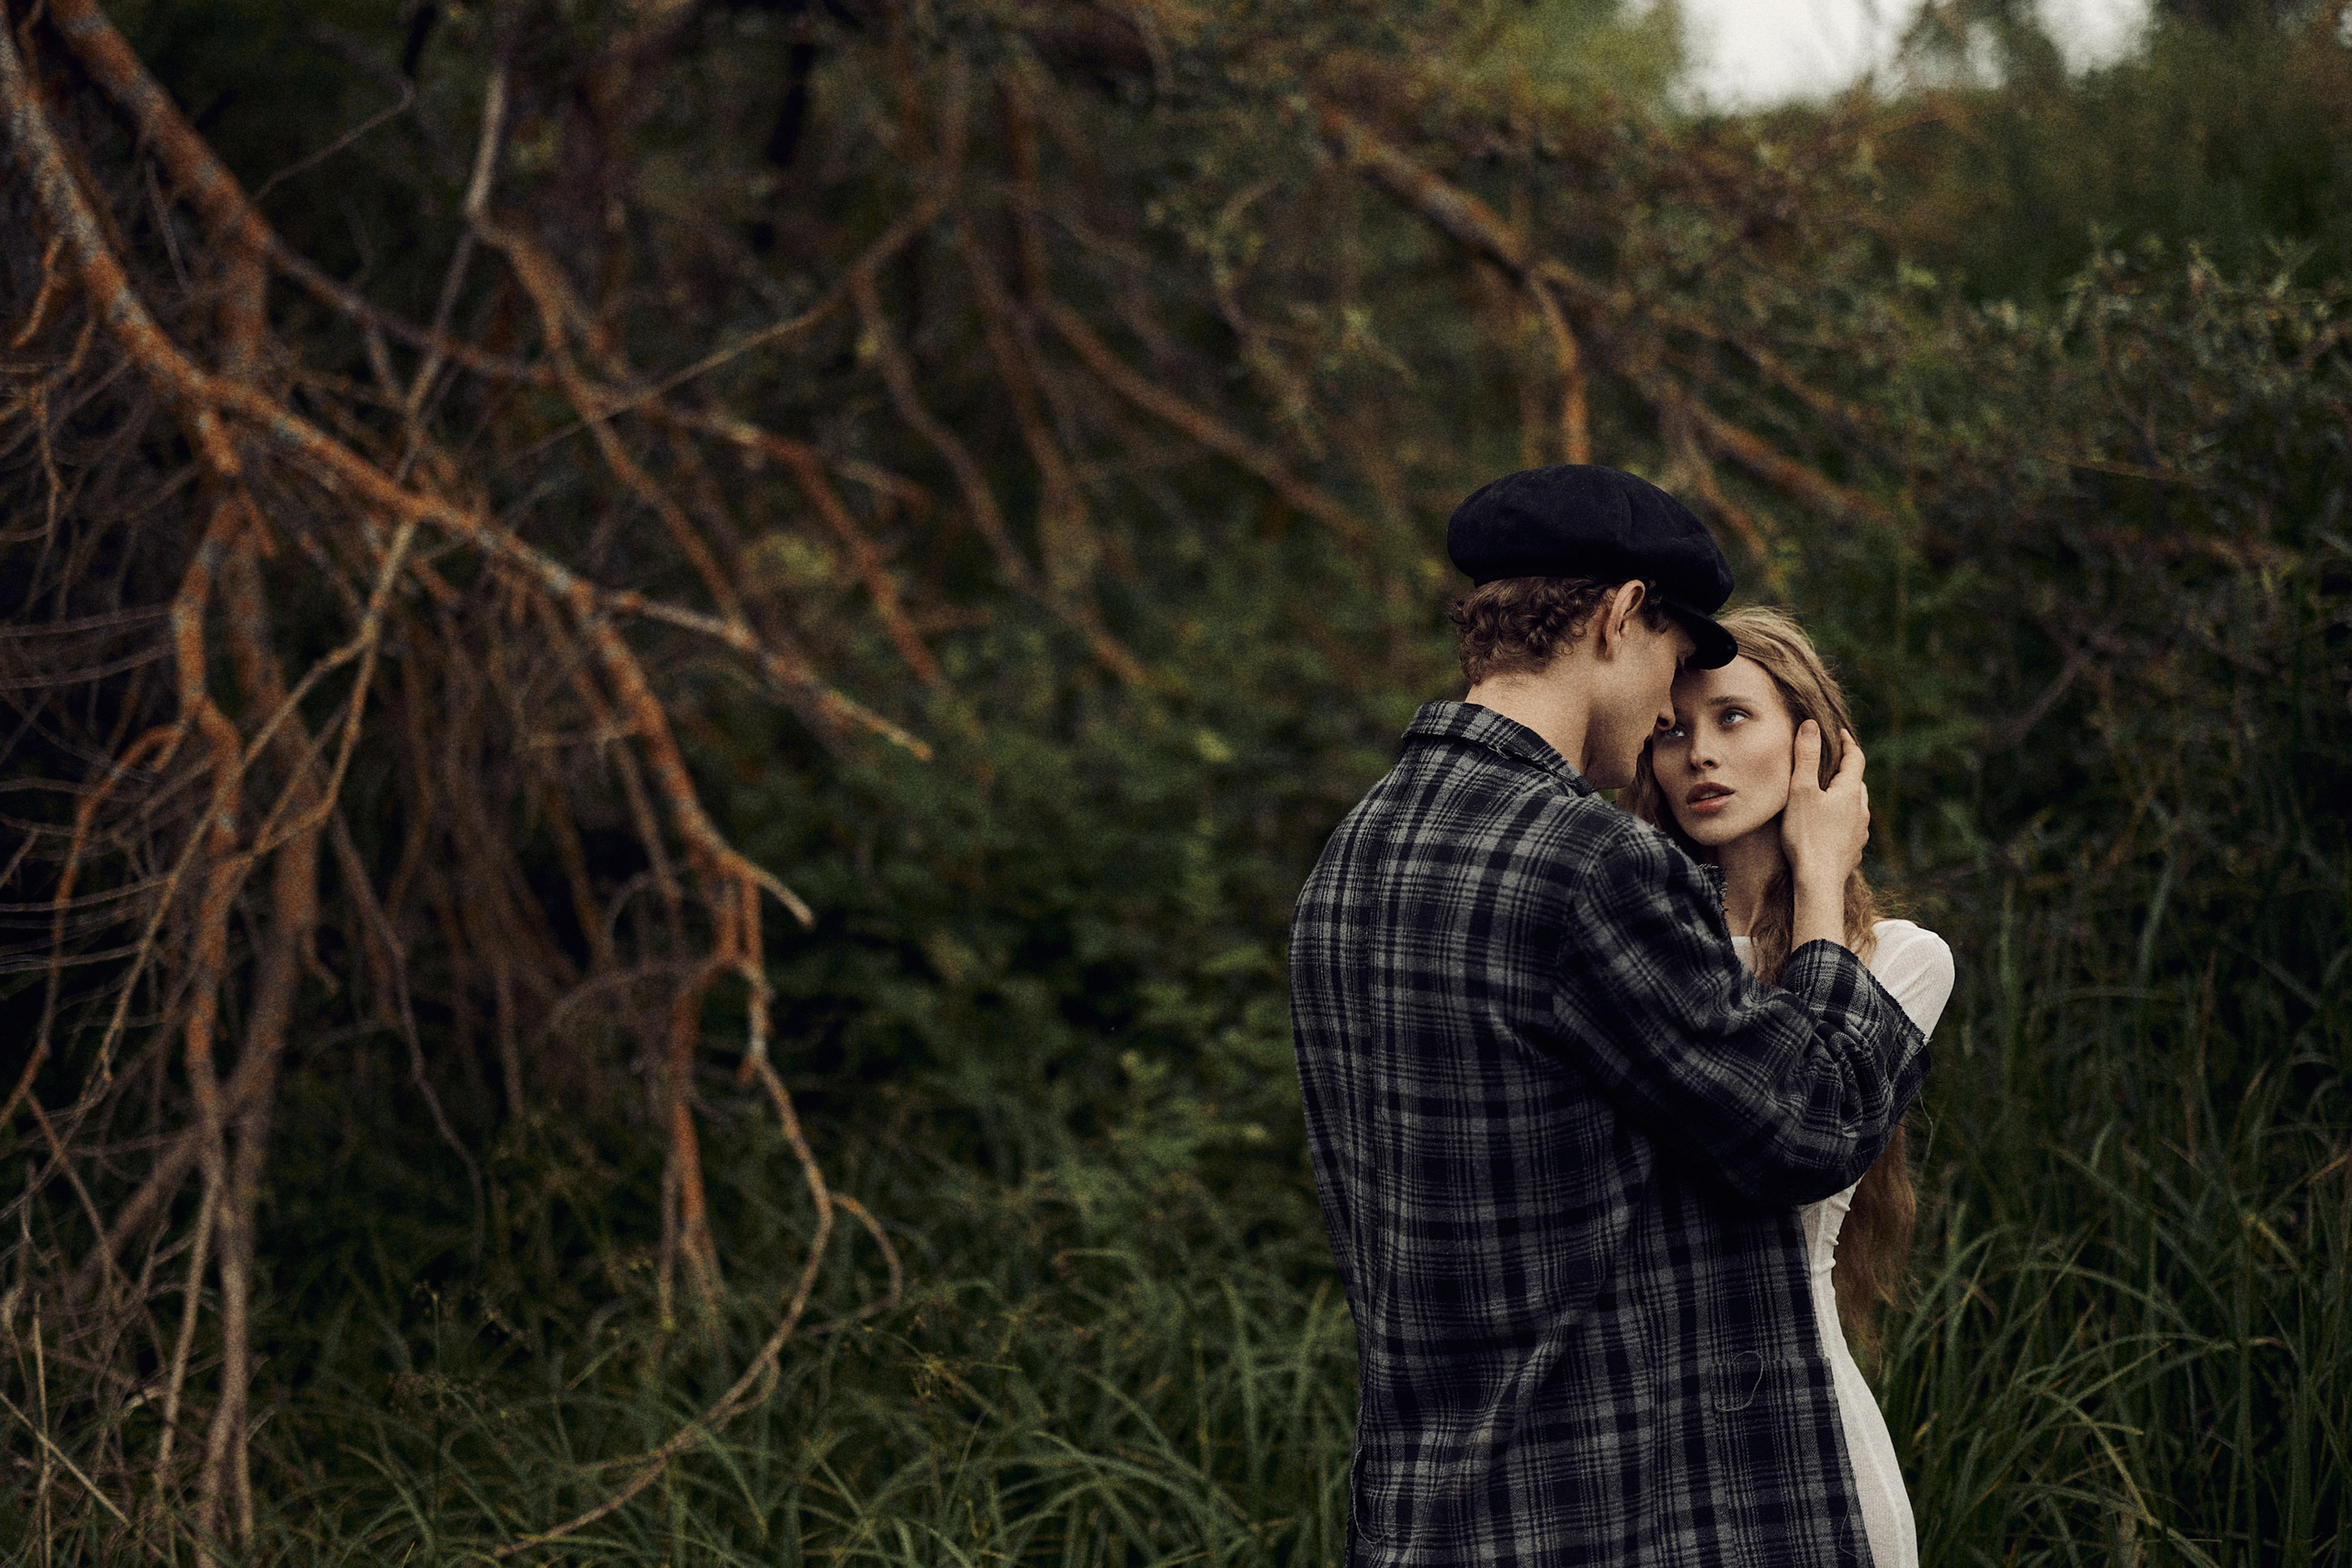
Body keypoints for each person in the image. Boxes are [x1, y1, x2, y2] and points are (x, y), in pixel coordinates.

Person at [1289, 464, 1929, 1567]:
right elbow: (1810, 1125)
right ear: (1621, 616)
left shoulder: (1352, 857)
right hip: (1593, 1509)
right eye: (1675, 670)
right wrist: (1823, 885)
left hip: (1422, 1511)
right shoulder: (1587, 861)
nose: (1661, 727)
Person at [1627, 605, 1953, 1568]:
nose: (1697, 756)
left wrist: (1818, 879)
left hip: (1807, 1425)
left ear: (1810, 742)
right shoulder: (1631, 952)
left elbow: (1796, 1146)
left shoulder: (1899, 959)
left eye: (1732, 718)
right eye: (1672, 730)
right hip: (1641, 1445)